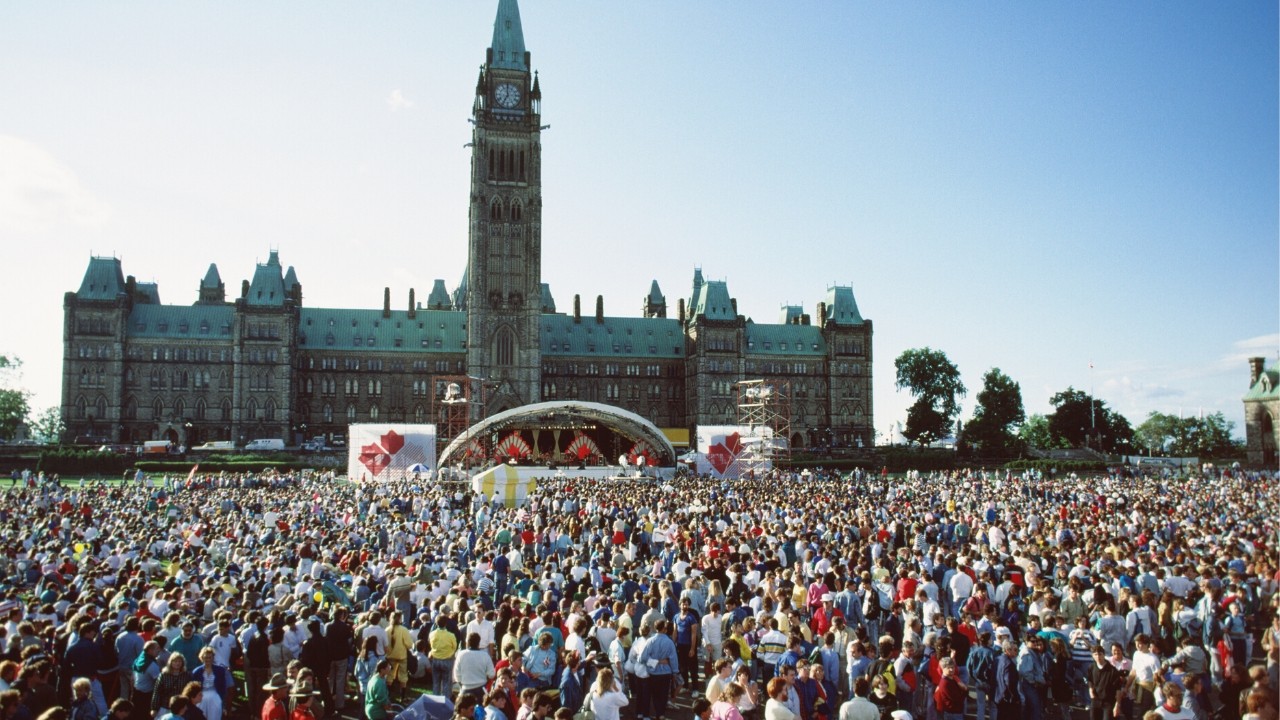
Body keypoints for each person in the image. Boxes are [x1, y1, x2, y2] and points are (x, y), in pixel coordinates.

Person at [190, 646, 231, 720]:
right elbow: (193, 688)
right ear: (202, 658)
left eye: (210, 657)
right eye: (206, 657)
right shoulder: (196, 671)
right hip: (201, 695)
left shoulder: (220, 670)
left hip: (215, 695)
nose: (208, 659)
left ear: (213, 658)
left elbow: (223, 688)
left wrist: (223, 704)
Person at [1087, 646, 1124, 720]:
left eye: (1100, 654)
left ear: (1104, 655)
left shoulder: (1113, 671)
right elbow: (1090, 680)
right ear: (1092, 656)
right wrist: (1090, 691)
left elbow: (1118, 689)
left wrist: (1117, 705)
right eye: (1095, 654)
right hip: (1095, 700)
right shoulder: (1091, 668)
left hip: (1108, 702)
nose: (1098, 657)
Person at [152, 653, 190, 718]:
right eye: (175, 661)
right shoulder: (164, 675)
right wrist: (154, 708)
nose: (177, 663)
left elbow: (187, 692)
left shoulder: (186, 675)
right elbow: (157, 692)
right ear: (171, 662)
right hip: (165, 706)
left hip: (180, 708)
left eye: (179, 661)